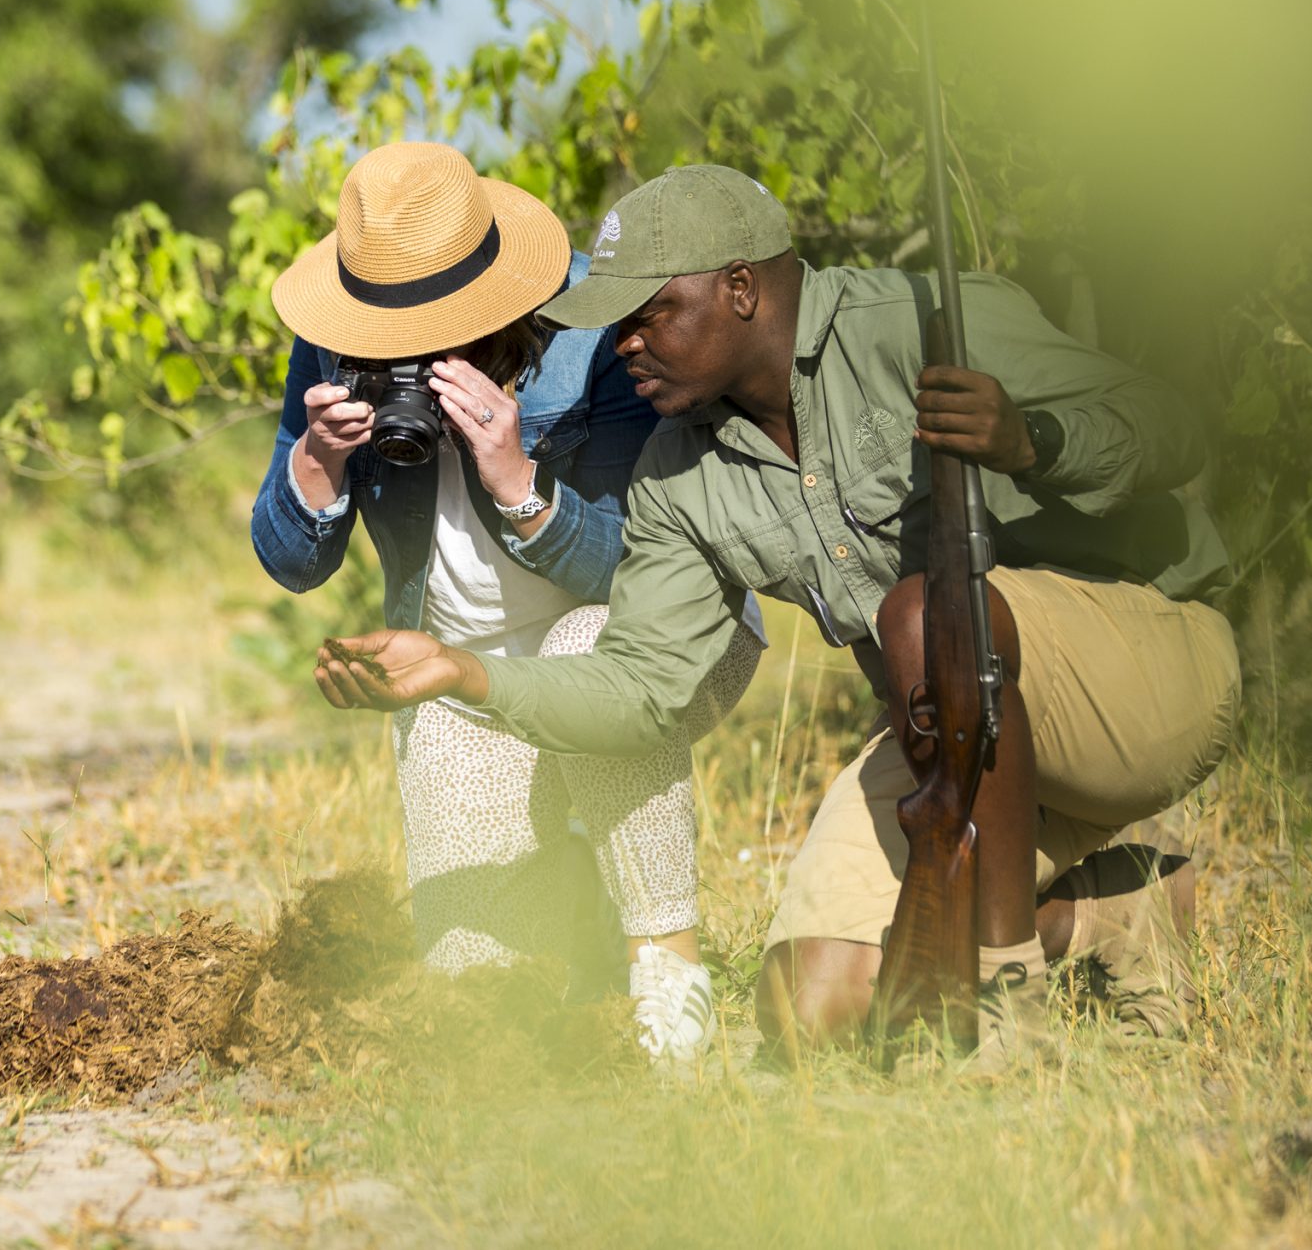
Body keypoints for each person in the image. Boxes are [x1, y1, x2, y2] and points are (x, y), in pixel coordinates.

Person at [314, 164, 1239, 1064]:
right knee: (809, 1002)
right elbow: (640, 688)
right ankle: (1121, 915)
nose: (622, 345)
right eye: (614, 326)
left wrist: (1035, 444)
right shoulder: (677, 472)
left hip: (1148, 674)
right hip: (961, 737)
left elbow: (1171, 425)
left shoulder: (920, 322)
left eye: (646, 318)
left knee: (923, 611)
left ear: (742, 288)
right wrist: (461, 673)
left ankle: (1008, 996)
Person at [251, 142, 760, 1064]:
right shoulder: (335, 338)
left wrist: (520, 480)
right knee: (477, 1000)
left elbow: (655, 570)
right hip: (463, 667)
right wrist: (319, 461)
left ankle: (668, 970)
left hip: (650, 645)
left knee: (579, 639)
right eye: (389, 337)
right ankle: (575, 902)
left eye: (437, 327)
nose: (407, 354)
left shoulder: (593, 330)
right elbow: (287, 561)